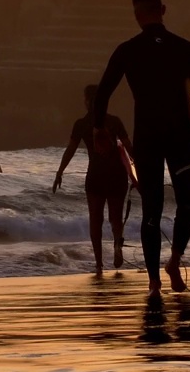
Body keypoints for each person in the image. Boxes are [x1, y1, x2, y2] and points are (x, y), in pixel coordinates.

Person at [93, 0, 190, 295]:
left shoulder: (128, 50)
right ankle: (174, 262)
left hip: (147, 138)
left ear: (137, 15)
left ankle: (154, 282)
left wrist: (98, 130)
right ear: (163, 9)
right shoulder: (186, 49)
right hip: (181, 139)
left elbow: (102, 92)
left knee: (151, 211)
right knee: (188, 206)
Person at [54, 84, 134, 276]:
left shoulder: (81, 124)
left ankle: (99, 264)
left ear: (87, 101)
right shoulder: (114, 121)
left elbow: (71, 150)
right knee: (116, 217)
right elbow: (130, 149)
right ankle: (117, 244)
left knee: (95, 220)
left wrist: (60, 172)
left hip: (95, 176)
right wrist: (138, 173)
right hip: (117, 175)